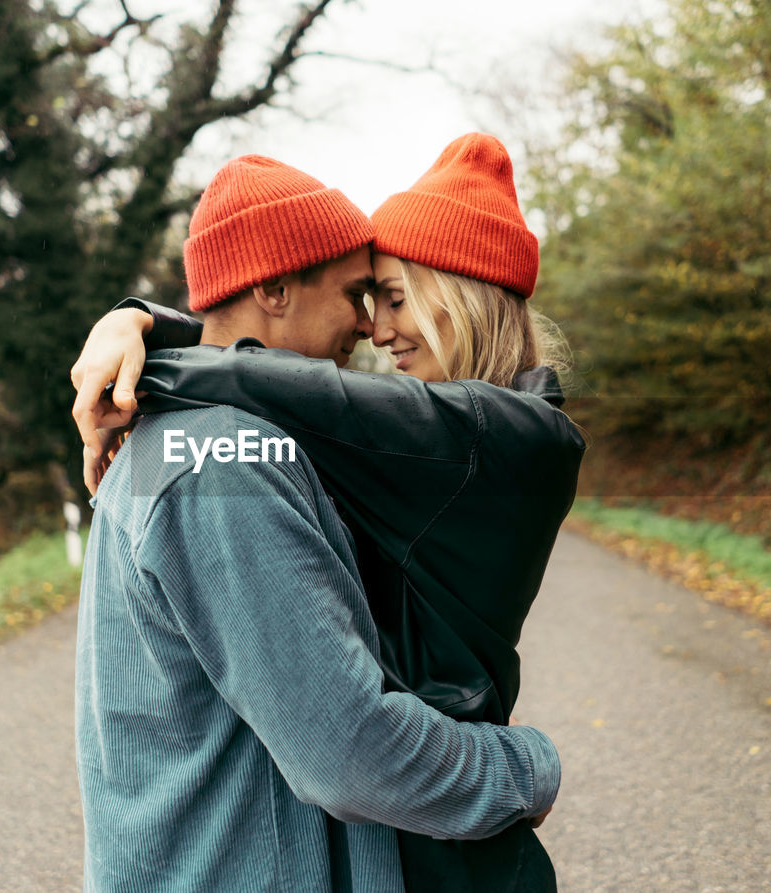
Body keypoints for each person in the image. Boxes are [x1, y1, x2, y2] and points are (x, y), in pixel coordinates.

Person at [72, 134, 584, 891]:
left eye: (388, 298)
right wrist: (531, 768)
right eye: (356, 295)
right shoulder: (224, 460)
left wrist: (149, 334)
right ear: (275, 289)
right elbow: (350, 750)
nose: (369, 328)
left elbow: (300, 390)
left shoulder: (218, 437)